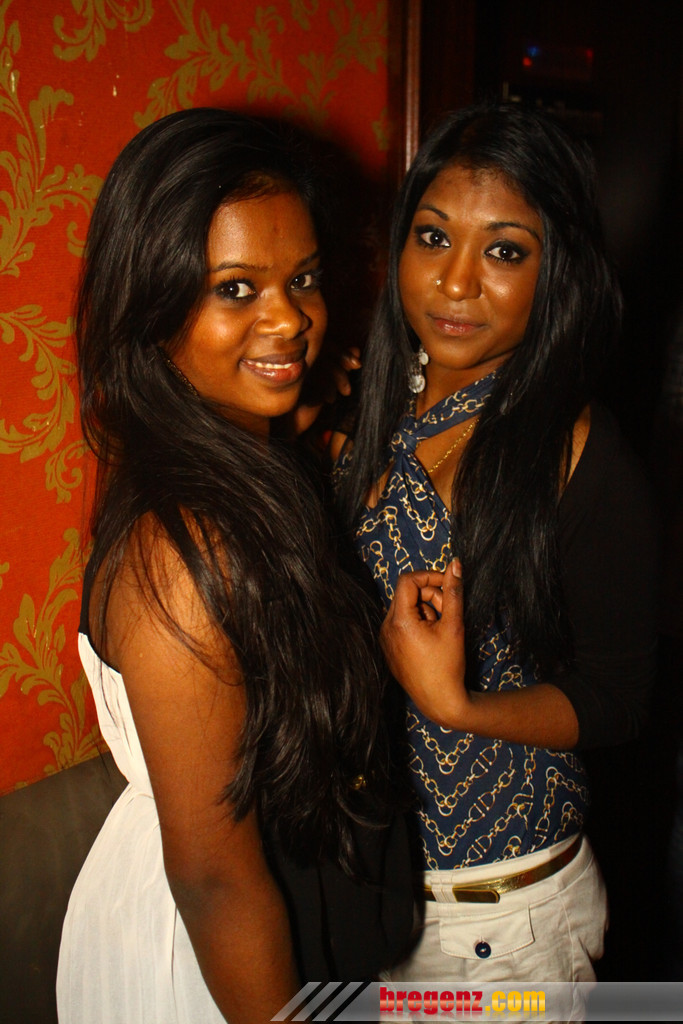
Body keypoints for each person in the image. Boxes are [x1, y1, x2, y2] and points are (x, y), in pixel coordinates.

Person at [56, 108, 412, 1024]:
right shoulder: (183, 553)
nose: (289, 318)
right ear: (155, 304)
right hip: (216, 957)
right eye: (236, 288)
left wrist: (300, 418)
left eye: (303, 279)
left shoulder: (233, 463)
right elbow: (215, 881)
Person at [334, 103, 658, 985]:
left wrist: (458, 704)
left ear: (557, 272)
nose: (456, 282)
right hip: (372, 896)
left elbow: (619, 697)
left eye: (505, 252)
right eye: (434, 238)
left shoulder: (575, 450)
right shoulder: (369, 409)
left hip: (499, 926)